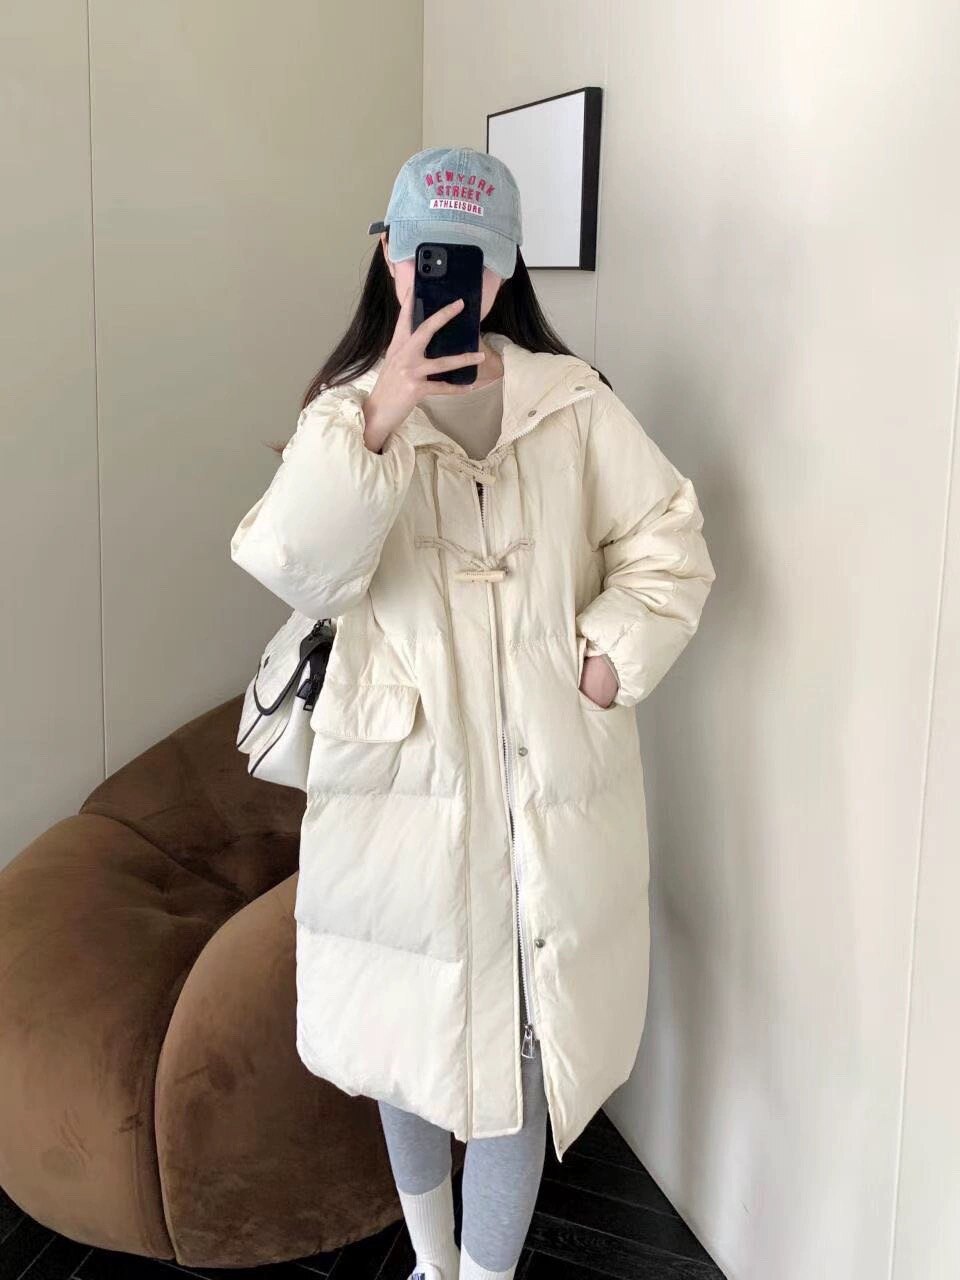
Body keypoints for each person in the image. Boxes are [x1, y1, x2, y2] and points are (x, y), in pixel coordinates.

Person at [230, 146, 716, 1280]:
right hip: (399, 788)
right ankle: (430, 1259)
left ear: (502, 272)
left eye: (472, 260)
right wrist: (385, 410)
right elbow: (296, 566)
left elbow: (668, 543)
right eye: (421, 253)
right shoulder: (345, 416)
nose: (444, 277)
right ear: (389, 257)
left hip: (550, 784)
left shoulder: (574, 402)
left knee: (522, 1058)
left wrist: (606, 660)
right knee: (409, 1044)